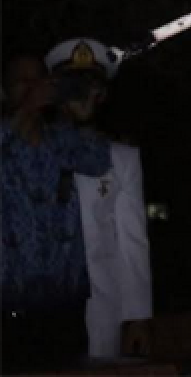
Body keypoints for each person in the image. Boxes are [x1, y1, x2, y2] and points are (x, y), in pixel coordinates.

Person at [2, 51, 113, 373]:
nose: (34, 88)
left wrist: (83, 116)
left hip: (63, 302)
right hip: (8, 302)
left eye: (39, 80)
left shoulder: (61, 138)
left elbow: (98, 161)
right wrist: (25, 110)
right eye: (22, 82)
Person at [44, 37, 154, 362]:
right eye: (71, 85)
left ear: (102, 94)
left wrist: (137, 315)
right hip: (39, 305)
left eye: (90, 85)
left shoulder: (120, 157)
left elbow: (132, 241)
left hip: (101, 306)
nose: (82, 95)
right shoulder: (33, 149)